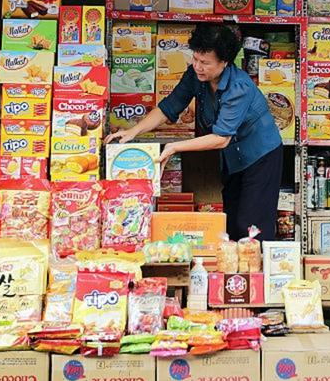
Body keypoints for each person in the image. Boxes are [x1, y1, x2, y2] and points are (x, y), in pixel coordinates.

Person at [105, 23, 284, 241]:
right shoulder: (194, 75)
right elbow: (169, 106)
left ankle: (258, 273)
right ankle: (234, 274)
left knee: (252, 226)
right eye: (195, 59)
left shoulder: (239, 87)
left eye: (205, 63)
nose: (197, 66)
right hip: (234, 159)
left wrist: (174, 146)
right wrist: (133, 131)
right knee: (233, 221)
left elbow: (221, 138)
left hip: (260, 156)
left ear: (224, 62)